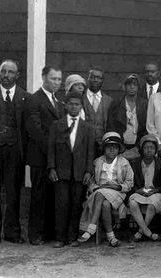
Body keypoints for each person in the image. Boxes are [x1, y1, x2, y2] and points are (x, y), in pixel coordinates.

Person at [0, 60, 29, 245]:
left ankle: (12, 233)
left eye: (11, 72)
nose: (6, 75)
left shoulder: (24, 97)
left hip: (14, 152)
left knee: (13, 194)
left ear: (17, 75)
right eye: (3, 71)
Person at [47, 92, 96, 248]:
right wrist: (52, 168)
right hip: (61, 172)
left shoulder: (87, 127)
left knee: (76, 205)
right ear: (66, 105)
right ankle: (60, 237)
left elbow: (90, 151)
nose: (73, 107)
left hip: (79, 172)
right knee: (61, 204)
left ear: (81, 106)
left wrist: (88, 171)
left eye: (77, 104)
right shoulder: (57, 125)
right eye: (71, 104)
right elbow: (51, 148)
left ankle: (73, 236)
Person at [26, 64, 64, 245]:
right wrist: (54, 149)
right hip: (40, 156)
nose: (57, 83)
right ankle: (35, 234)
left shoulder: (58, 101)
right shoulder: (34, 100)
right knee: (39, 194)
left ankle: (49, 232)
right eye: (53, 79)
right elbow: (36, 131)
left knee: (52, 194)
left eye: (59, 79)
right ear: (43, 78)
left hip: (54, 157)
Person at [78, 132, 134, 247]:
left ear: (119, 149)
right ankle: (111, 237)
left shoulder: (124, 163)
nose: (112, 149)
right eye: (109, 146)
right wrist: (97, 188)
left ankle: (91, 227)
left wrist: (117, 186)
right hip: (100, 191)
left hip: (117, 192)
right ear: (104, 148)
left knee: (99, 194)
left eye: (115, 147)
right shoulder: (98, 162)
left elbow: (129, 184)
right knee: (105, 204)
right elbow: (91, 182)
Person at [128, 134, 161, 242]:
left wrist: (156, 190)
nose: (149, 150)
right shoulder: (134, 163)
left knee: (152, 204)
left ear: (156, 150)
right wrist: (137, 190)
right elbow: (130, 183)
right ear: (141, 149)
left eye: (152, 148)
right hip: (140, 191)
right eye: (146, 148)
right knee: (132, 203)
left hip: (155, 193)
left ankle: (140, 232)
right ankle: (148, 233)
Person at [85, 66, 113, 145]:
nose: (95, 80)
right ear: (88, 78)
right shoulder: (80, 98)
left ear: (103, 80)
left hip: (102, 144)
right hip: (83, 144)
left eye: (99, 78)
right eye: (92, 77)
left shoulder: (108, 101)